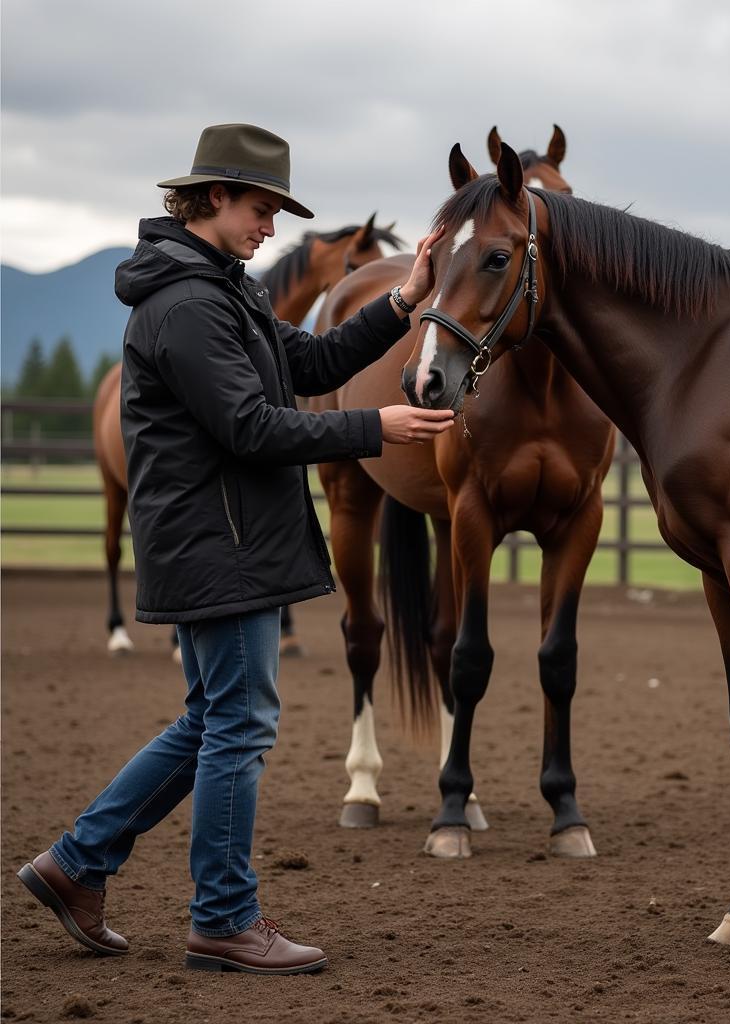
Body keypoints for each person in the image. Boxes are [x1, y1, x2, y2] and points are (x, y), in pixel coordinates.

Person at [16, 123, 454, 975]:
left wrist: (406, 302)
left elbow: (316, 357)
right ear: (213, 197)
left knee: (212, 718)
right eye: (261, 208)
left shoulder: (223, 290)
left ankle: (76, 863)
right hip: (217, 542)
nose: (270, 227)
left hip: (228, 537)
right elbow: (249, 427)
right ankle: (221, 917)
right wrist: (377, 427)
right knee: (241, 723)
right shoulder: (185, 307)